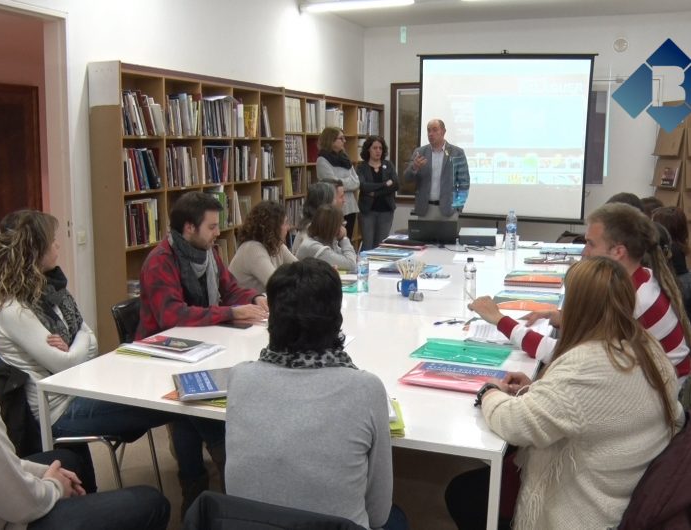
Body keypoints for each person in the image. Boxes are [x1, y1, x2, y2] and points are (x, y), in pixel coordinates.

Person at [0, 210, 220, 514]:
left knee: (182, 396)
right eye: (52, 242)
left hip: (83, 387)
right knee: (182, 403)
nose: (58, 247)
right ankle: (202, 491)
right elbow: (68, 363)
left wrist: (76, 342)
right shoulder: (12, 309)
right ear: (34, 251)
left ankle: (199, 489)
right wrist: (79, 343)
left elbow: (86, 335)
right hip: (61, 410)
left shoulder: (49, 290)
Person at [0, 227, 169, 530]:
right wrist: (53, 486)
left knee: (65, 461)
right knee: (152, 501)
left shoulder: (49, 295)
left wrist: (44, 475)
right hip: (6, 521)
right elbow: (18, 503)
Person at [447, 257, 685, 529]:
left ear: (576, 307)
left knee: (462, 494)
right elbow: (588, 406)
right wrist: (534, 390)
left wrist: (489, 391)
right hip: (628, 488)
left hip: (586, 511)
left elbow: (515, 424)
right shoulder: (644, 344)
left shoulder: (587, 365)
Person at [224, 258, 405, 530]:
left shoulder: (239, 378)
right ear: (336, 319)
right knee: (396, 519)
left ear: (272, 317)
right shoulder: (365, 389)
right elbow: (378, 513)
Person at [469, 203, 691, 380]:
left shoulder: (631, 301)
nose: (584, 252)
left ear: (618, 251)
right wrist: (561, 317)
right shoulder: (641, 278)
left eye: (590, 244)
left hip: (660, 407)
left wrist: (500, 319)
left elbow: (565, 355)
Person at [136, 191, 268, 338]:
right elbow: (173, 315)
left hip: (200, 336)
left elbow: (230, 290)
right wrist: (230, 313)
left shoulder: (208, 252)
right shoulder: (160, 262)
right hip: (162, 344)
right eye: (212, 227)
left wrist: (255, 298)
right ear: (190, 228)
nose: (218, 232)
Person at [402, 119, 470, 219]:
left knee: (447, 235)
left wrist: (458, 206)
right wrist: (414, 167)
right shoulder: (420, 152)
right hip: (425, 210)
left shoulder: (457, 152)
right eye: (428, 130)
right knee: (425, 235)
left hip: (449, 210)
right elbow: (406, 178)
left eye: (434, 130)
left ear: (443, 131)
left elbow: (464, 183)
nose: (431, 134)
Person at [228, 200, 297, 293]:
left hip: (259, 304)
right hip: (243, 305)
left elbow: (300, 269)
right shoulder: (253, 249)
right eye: (285, 223)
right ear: (273, 227)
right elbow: (276, 284)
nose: (288, 227)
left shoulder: (276, 245)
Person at [315, 126, 360, 239]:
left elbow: (356, 182)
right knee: (335, 240)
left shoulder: (345, 158)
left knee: (347, 239)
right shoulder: (322, 160)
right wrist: (345, 182)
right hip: (334, 207)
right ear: (331, 140)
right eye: (341, 138)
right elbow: (331, 183)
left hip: (350, 206)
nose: (344, 141)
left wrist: (340, 181)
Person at [356, 135, 398, 250]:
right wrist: (384, 184)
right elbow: (363, 186)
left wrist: (375, 193)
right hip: (367, 212)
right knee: (368, 245)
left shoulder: (388, 165)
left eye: (380, 148)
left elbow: (395, 184)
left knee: (381, 246)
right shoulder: (361, 167)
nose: (378, 151)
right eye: (375, 148)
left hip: (386, 211)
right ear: (368, 149)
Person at [295, 204, 357, 272]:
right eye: (340, 224)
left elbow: (347, 257)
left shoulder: (324, 239)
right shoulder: (313, 246)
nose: (342, 227)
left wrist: (351, 256)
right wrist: (343, 239)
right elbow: (351, 265)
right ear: (332, 228)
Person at [291, 181, 335, 254]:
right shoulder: (312, 229)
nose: (335, 203)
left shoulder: (316, 224)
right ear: (325, 205)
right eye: (333, 200)